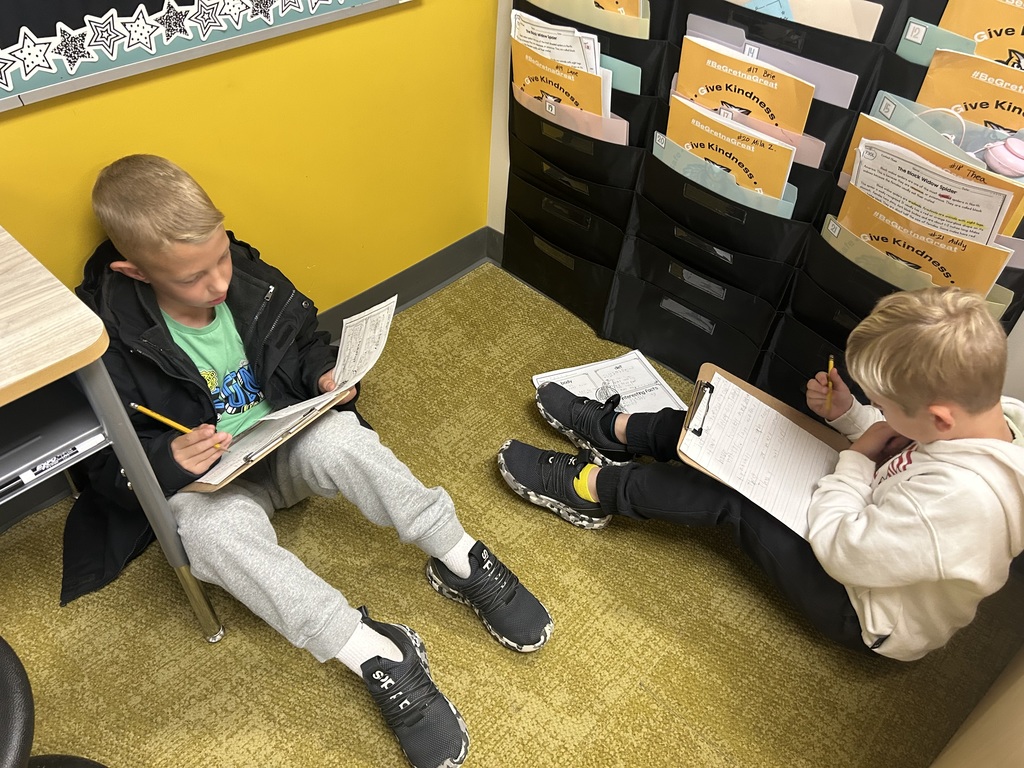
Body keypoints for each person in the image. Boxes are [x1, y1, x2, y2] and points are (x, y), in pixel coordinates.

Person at [76, 154, 553, 768]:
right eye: (193, 278)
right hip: (215, 485)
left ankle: (460, 556)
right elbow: (100, 463)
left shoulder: (242, 270)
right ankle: (374, 651)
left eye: (221, 257)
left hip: (283, 441)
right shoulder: (99, 333)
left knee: (344, 439)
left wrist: (321, 373)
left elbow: (301, 339)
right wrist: (165, 459)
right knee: (206, 534)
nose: (219, 284)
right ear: (134, 271)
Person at [498, 287, 1024, 661]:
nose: (879, 410)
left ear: (939, 419)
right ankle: (615, 429)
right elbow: (895, 438)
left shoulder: (960, 505)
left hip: (863, 605)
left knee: (737, 498)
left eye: (884, 403)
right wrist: (850, 418)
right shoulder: (981, 412)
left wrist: (857, 458)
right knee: (730, 428)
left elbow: (847, 552)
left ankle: (598, 490)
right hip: (869, 511)